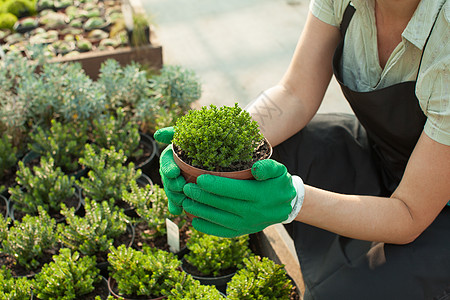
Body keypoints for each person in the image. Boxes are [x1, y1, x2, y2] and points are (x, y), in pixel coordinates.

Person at [154, 0, 450, 298]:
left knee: (347, 292)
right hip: (385, 152)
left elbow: (409, 214)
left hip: (431, 209)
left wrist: (293, 201)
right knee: (272, 150)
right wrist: (216, 143)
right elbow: (294, 94)